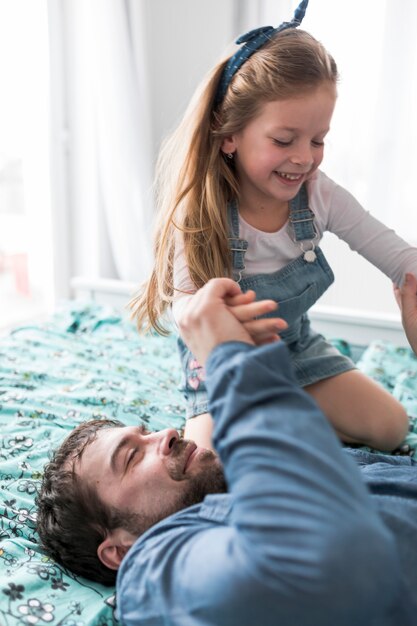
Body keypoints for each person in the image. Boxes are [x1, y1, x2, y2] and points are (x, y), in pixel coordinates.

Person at [36, 276, 417, 625]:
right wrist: (232, 359)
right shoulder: (156, 572)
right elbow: (326, 552)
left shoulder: (234, 483)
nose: (166, 433)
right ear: (119, 551)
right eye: (132, 457)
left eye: (147, 433)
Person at [130, 0, 416, 452]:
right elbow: (186, 312)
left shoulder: (320, 196)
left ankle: (288, 412)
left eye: (318, 139)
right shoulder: (200, 212)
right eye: (284, 140)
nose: (304, 157)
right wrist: (211, 317)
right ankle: (281, 420)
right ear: (229, 134)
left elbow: (401, 259)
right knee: (208, 465)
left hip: (295, 349)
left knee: (392, 427)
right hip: (221, 361)